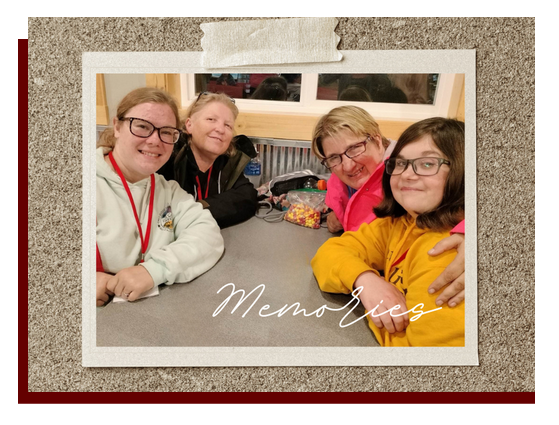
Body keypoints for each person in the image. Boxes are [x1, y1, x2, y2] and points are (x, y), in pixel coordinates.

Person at [311, 118, 465, 346]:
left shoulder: (446, 255)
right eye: (400, 164)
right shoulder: (401, 222)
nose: (407, 175)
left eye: (427, 164)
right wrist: (365, 280)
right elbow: (331, 251)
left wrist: (377, 313)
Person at [96, 87, 224, 306]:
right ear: (117, 126)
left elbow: (207, 235)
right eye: (142, 126)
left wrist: (153, 270)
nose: (155, 140)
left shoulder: (167, 190)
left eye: (166, 132)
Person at [159, 92, 258, 228]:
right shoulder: (169, 159)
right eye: (211, 119)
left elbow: (248, 197)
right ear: (189, 125)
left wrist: (196, 209)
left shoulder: (228, 162)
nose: (220, 129)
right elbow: (161, 217)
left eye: (228, 125)